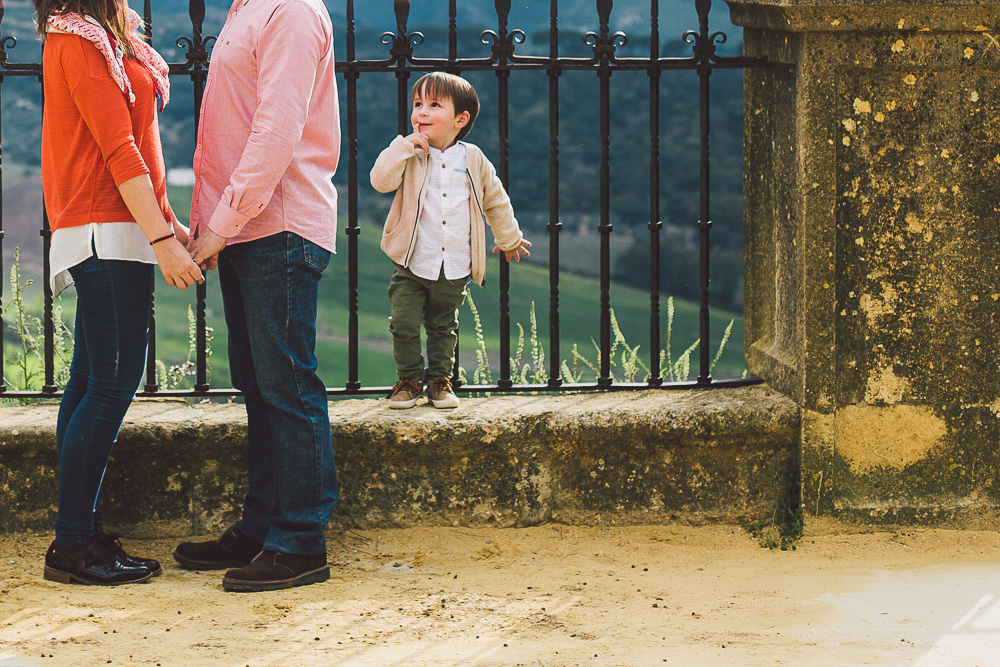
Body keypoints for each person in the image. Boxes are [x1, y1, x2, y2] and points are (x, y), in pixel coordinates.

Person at [34, 0, 204, 585]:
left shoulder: (106, 36)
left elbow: (135, 144)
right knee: (110, 383)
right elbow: (117, 149)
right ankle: (74, 545)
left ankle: (81, 530)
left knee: (88, 383)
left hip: (117, 224)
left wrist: (167, 222)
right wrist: (162, 238)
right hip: (104, 227)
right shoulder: (79, 40)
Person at [174, 0, 340, 592]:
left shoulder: (292, 12)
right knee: (258, 382)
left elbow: (276, 128)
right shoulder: (247, 9)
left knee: (287, 385)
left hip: (280, 226)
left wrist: (219, 225)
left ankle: (300, 544)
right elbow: (229, 125)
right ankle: (261, 526)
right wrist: (216, 222)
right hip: (248, 227)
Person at [371, 72, 531, 410]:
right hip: (412, 260)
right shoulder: (410, 154)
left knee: (444, 326)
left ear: (461, 119)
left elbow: (495, 200)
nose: (422, 113)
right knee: (402, 322)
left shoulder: (473, 159)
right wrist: (402, 146)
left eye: (433, 105)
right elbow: (380, 181)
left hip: (455, 262)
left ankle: (440, 381)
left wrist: (509, 237)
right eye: (418, 105)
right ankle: (409, 379)